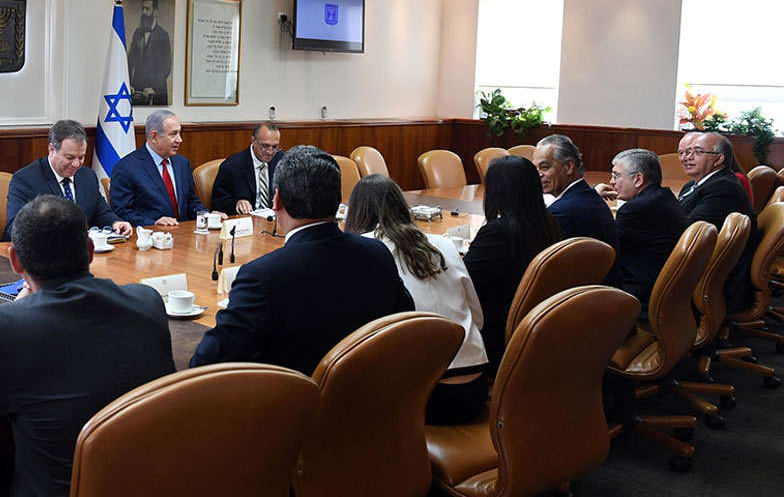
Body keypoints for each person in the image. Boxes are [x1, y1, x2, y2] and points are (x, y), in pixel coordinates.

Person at [0, 195, 175, 496]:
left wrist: (12, 313)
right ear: (89, 251)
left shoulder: (0, 328)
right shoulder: (147, 300)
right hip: (154, 483)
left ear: (15, 260)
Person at [190, 145, 414, 375]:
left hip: (291, 405)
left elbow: (207, 363)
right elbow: (405, 322)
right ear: (338, 200)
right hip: (371, 397)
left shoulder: (262, 277)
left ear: (276, 200)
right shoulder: (377, 253)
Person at [345, 174, 488, 424]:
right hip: (475, 386)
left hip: (425, 395)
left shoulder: (364, 250)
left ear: (356, 213)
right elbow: (478, 318)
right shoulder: (443, 243)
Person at [464, 155, 562, 375]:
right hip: (535, 327)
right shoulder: (549, 223)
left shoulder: (499, 232)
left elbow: (464, 280)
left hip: (496, 334)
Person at [595, 149, 689, 315]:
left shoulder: (637, 209)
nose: (611, 181)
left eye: (616, 176)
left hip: (640, 296)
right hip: (669, 294)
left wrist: (593, 198)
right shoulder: (663, 197)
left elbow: (601, 248)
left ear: (638, 179)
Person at [2, 119, 132, 241]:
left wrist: (116, 222)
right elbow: (14, 228)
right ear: (52, 149)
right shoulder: (25, 179)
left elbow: (100, 212)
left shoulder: (87, 176)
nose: (76, 164)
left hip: (79, 253)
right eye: (70, 157)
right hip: (38, 255)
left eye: (81, 157)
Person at [677, 131, 757, 312]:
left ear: (719, 159)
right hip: (698, 262)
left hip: (714, 279)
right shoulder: (694, 185)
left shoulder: (724, 188)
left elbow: (688, 231)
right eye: (684, 153)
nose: (687, 158)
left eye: (697, 152)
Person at [533, 134, 622, 287]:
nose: (538, 174)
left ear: (569, 167)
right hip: (601, 294)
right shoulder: (590, 196)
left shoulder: (561, 213)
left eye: (545, 167)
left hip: (580, 301)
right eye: (535, 168)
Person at [111, 110, 225, 226]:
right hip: (150, 236)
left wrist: (207, 216)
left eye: (179, 133)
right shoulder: (126, 168)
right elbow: (122, 212)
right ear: (154, 137)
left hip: (184, 234)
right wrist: (153, 223)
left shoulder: (182, 163)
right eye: (173, 134)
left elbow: (190, 202)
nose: (179, 140)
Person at [211, 122, 284, 215]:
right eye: (264, 146)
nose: (270, 152)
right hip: (245, 221)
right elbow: (218, 203)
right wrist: (236, 203)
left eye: (275, 147)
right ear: (253, 141)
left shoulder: (281, 160)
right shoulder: (232, 166)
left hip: (275, 220)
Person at [127, 0, 171, 106]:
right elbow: (130, 60)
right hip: (137, 92)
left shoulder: (163, 35)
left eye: (147, 9)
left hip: (156, 92)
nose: (144, 12)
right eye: (143, 8)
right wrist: (129, 84)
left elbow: (166, 67)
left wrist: (153, 88)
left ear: (155, 12)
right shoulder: (137, 33)